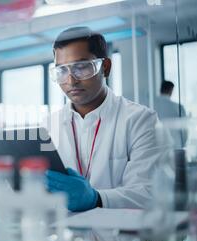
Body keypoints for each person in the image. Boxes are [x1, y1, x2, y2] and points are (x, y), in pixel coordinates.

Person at [44, 27, 170, 212]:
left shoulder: (141, 120)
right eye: (62, 70)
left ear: (105, 67)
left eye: (81, 67)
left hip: (121, 237)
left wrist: (96, 199)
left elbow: (149, 193)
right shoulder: (49, 125)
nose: (71, 81)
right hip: (66, 235)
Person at [154, 81, 188, 149]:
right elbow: (184, 131)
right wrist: (183, 144)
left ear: (160, 89)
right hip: (175, 146)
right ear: (171, 90)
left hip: (156, 147)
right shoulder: (178, 107)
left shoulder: (151, 105)